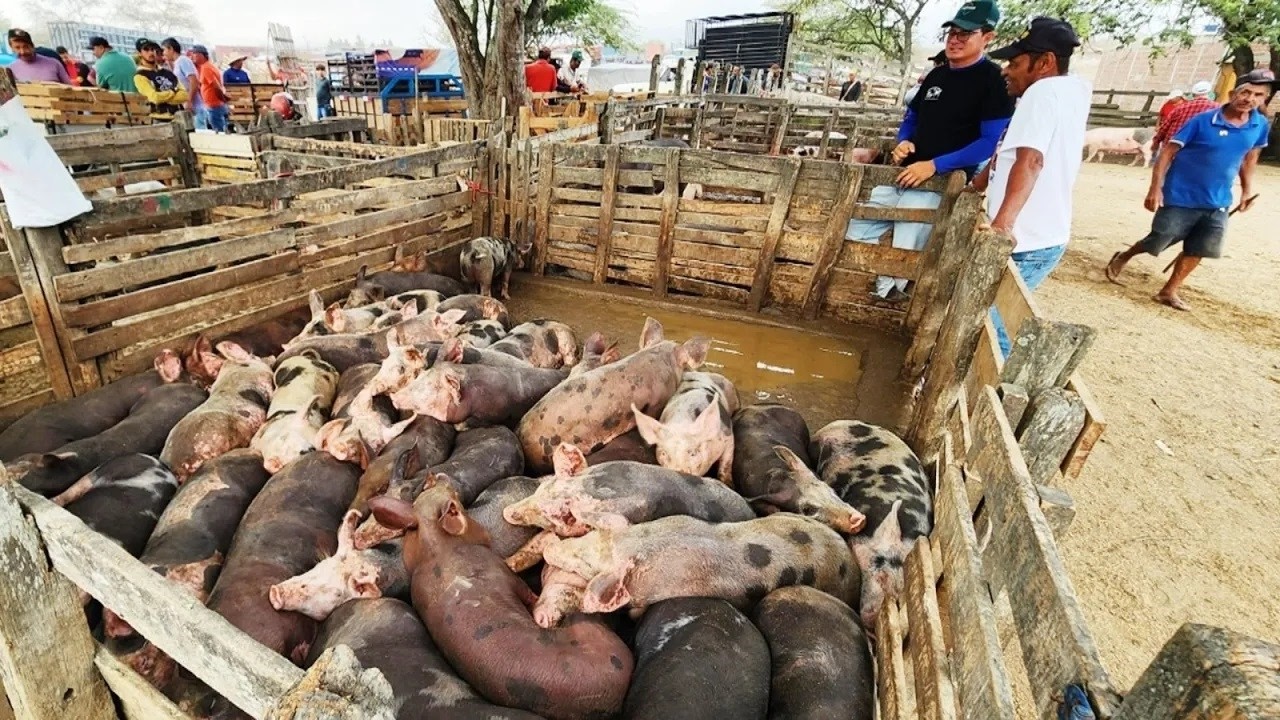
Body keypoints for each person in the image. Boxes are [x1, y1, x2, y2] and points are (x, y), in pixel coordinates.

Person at [848, 0, 1014, 303]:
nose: (955, 39)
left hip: (941, 180)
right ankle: (853, 282)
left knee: (908, 240)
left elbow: (989, 143)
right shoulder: (937, 76)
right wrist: (903, 141)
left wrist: (935, 165)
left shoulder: (993, 81)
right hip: (905, 173)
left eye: (966, 33)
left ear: (988, 37)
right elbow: (913, 118)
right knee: (857, 223)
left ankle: (889, 296)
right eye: (952, 31)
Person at [1105, 69, 1272, 311]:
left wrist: (1246, 191)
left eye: (1258, 95)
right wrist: (1155, 188)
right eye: (1246, 92)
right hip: (1181, 193)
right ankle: (1125, 256)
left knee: (1201, 246)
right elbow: (1168, 152)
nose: (1250, 99)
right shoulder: (1204, 120)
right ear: (1233, 93)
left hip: (1219, 200)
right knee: (1160, 237)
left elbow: (1250, 159)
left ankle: (1169, 290)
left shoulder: (1259, 125)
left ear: (1264, 99)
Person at [971, 17, 1089, 354]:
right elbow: (1009, 149)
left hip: (1025, 239)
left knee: (991, 331)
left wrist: (1002, 224)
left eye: (1016, 63)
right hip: (1044, 235)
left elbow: (1031, 159)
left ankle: (983, 398)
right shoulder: (1072, 90)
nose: (1007, 70)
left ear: (1045, 62)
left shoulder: (1042, 92)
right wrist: (979, 183)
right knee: (990, 324)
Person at [1151, 80, 1217, 154]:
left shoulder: (1181, 108)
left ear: (1194, 94)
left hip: (1172, 148)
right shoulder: (1217, 109)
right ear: (1209, 93)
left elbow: (1165, 127)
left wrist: (1156, 142)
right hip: (1198, 150)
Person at [133, 40, 187, 123]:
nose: (151, 52)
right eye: (146, 50)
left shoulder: (167, 72)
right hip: (159, 119)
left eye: (152, 49)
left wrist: (164, 98)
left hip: (179, 116)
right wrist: (173, 91)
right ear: (139, 53)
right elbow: (154, 98)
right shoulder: (140, 76)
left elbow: (184, 95)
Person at [162, 38, 203, 128]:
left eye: (164, 50)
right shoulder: (177, 63)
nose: (163, 53)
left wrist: (189, 100)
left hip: (195, 106)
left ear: (171, 49)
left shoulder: (183, 60)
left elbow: (193, 81)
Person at [6, 29, 72, 84]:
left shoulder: (54, 63)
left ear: (32, 45)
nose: (22, 51)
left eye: (26, 46)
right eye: (17, 48)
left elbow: (71, 90)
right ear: (12, 48)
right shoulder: (10, 70)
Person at [191, 45, 230, 132]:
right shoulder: (208, 66)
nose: (192, 56)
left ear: (201, 55)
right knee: (220, 128)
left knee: (219, 131)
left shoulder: (206, 68)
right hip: (216, 104)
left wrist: (222, 99)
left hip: (214, 105)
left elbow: (216, 86)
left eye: (194, 54)